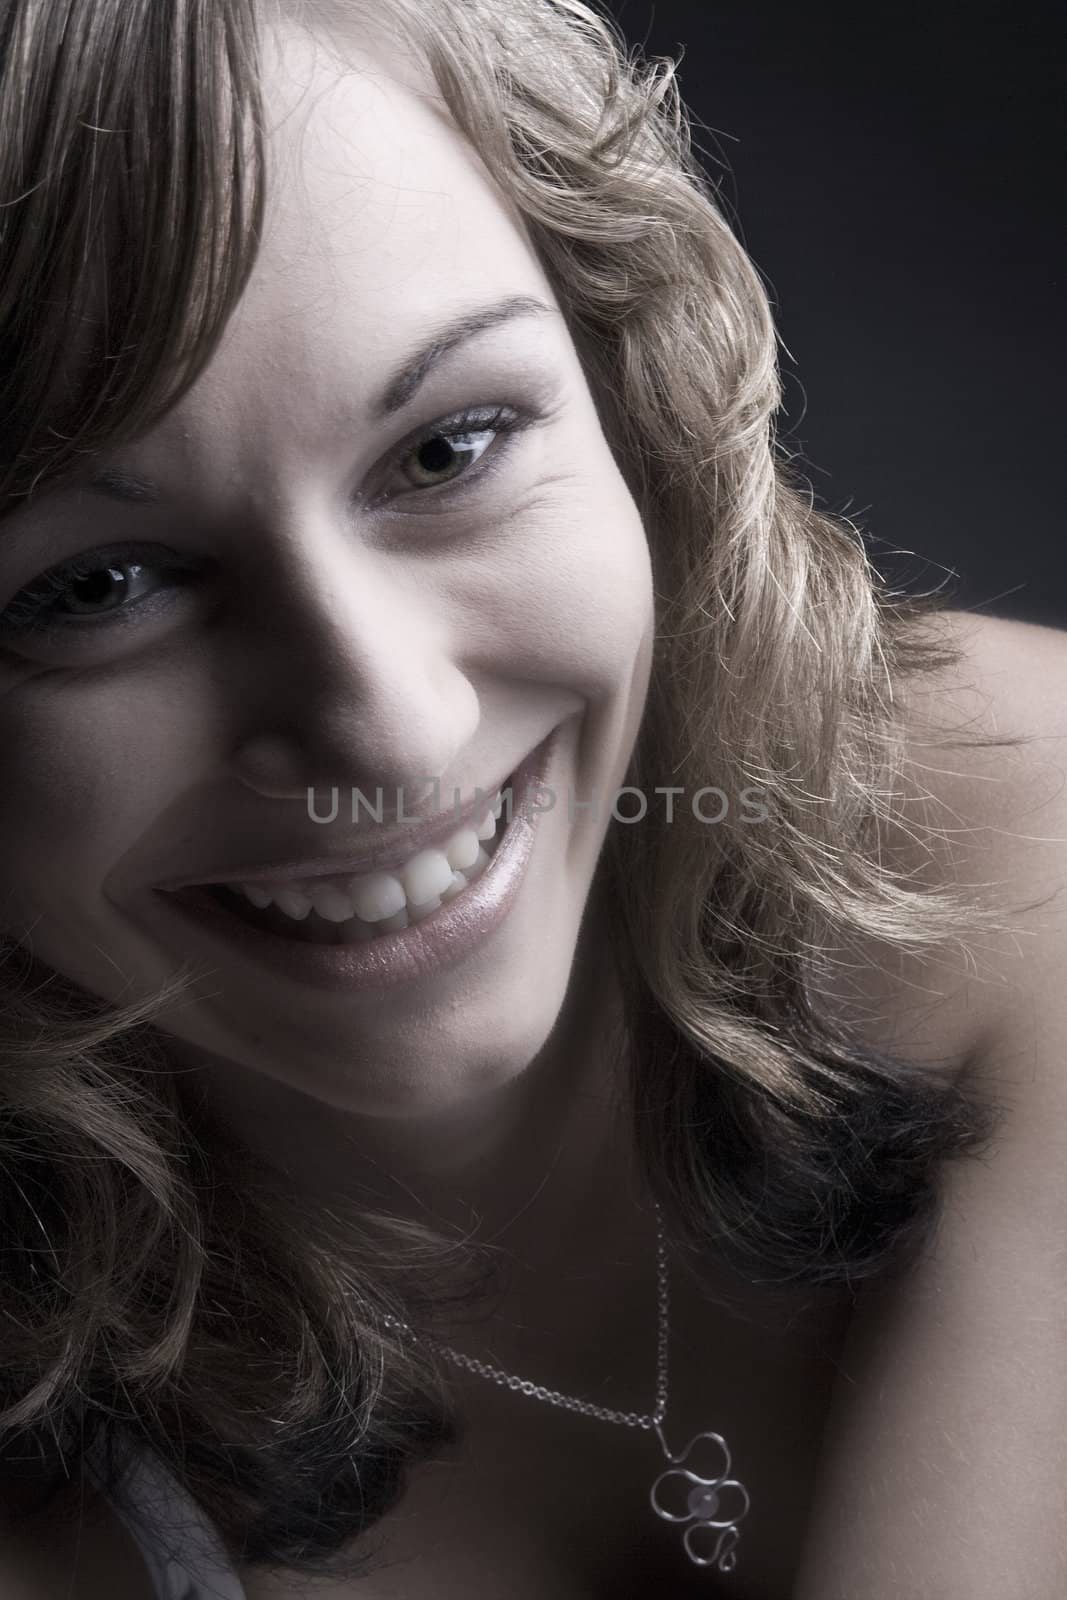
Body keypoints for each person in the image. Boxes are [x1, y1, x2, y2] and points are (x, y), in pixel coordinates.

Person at [1, 1, 1065, 1597]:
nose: (387, 723)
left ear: (627, 389)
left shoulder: (1024, 830)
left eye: (450, 448)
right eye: (101, 585)